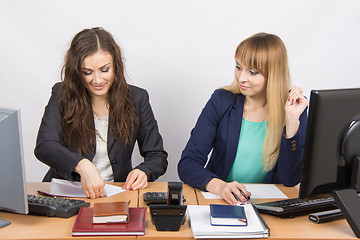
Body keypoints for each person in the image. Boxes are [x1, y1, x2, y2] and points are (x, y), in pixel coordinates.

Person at [34, 27, 168, 199]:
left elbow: (157, 156)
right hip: (68, 194)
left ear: (116, 66)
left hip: (116, 194)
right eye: (87, 72)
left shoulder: (137, 98)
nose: (97, 80)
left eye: (105, 70)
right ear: (77, 71)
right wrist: (82, 165)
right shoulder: (62, 95)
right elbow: (44, 146)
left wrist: (144, 171)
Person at [178, 32, 308, 205]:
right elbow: (188, 163)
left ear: (273, 74)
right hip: (222, 200)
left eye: (253, 72)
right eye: (238, 67)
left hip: (269, 205)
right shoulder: (221, 100)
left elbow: (290, 180)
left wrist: (291, 123)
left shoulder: (294, 108)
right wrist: (219, 186)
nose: (242, 78)